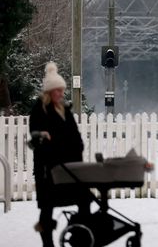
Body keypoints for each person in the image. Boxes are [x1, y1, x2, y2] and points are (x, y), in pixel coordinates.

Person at [29, 62, 85, 247]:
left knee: (83, 200)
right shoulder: (39, 110)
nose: (61, 94)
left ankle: (79, 233)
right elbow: (36, 137)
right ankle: (48, 244)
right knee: (47, 207)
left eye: (62, 90)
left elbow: (75, 136)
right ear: (49, 92)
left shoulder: (65, 110)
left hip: (69, 168)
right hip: (48, 169)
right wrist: (44, 138)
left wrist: (77, 149)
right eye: (58, 91)